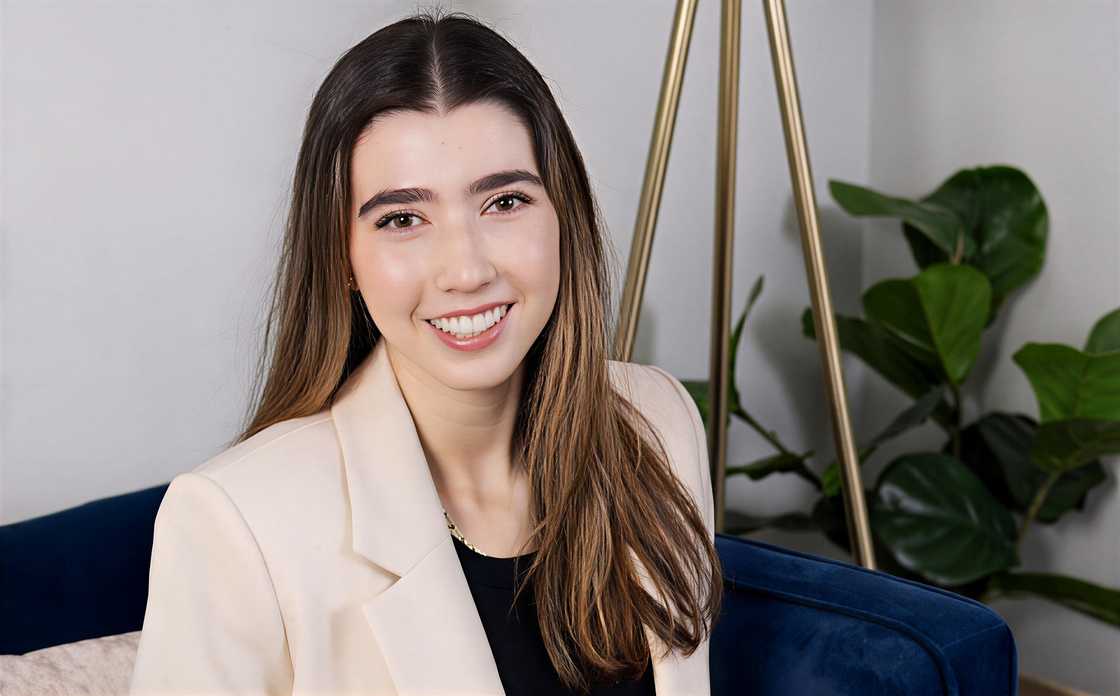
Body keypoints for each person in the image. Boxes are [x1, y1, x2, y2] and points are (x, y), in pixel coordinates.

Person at [129, 9, 722, 696]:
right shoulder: (235, 522)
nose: (465, 270)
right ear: (342, 257)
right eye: (402, 219)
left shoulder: (657, 421)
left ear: (566, 218)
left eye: (503, 202)